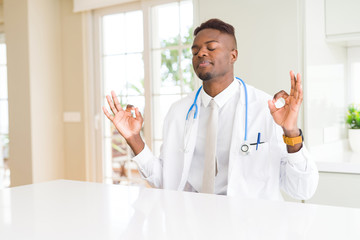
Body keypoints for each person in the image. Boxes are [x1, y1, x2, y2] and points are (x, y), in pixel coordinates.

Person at [103, 18, 319, 200]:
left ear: (233, 55)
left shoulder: (266, 108)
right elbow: (165, 181)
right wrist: (134, 138)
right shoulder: (178, 112)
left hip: (251, 227)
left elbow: (303, 189)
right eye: (195, 51)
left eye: (211, 48)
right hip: (192, 224)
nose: (201, 54)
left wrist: (291, 132)